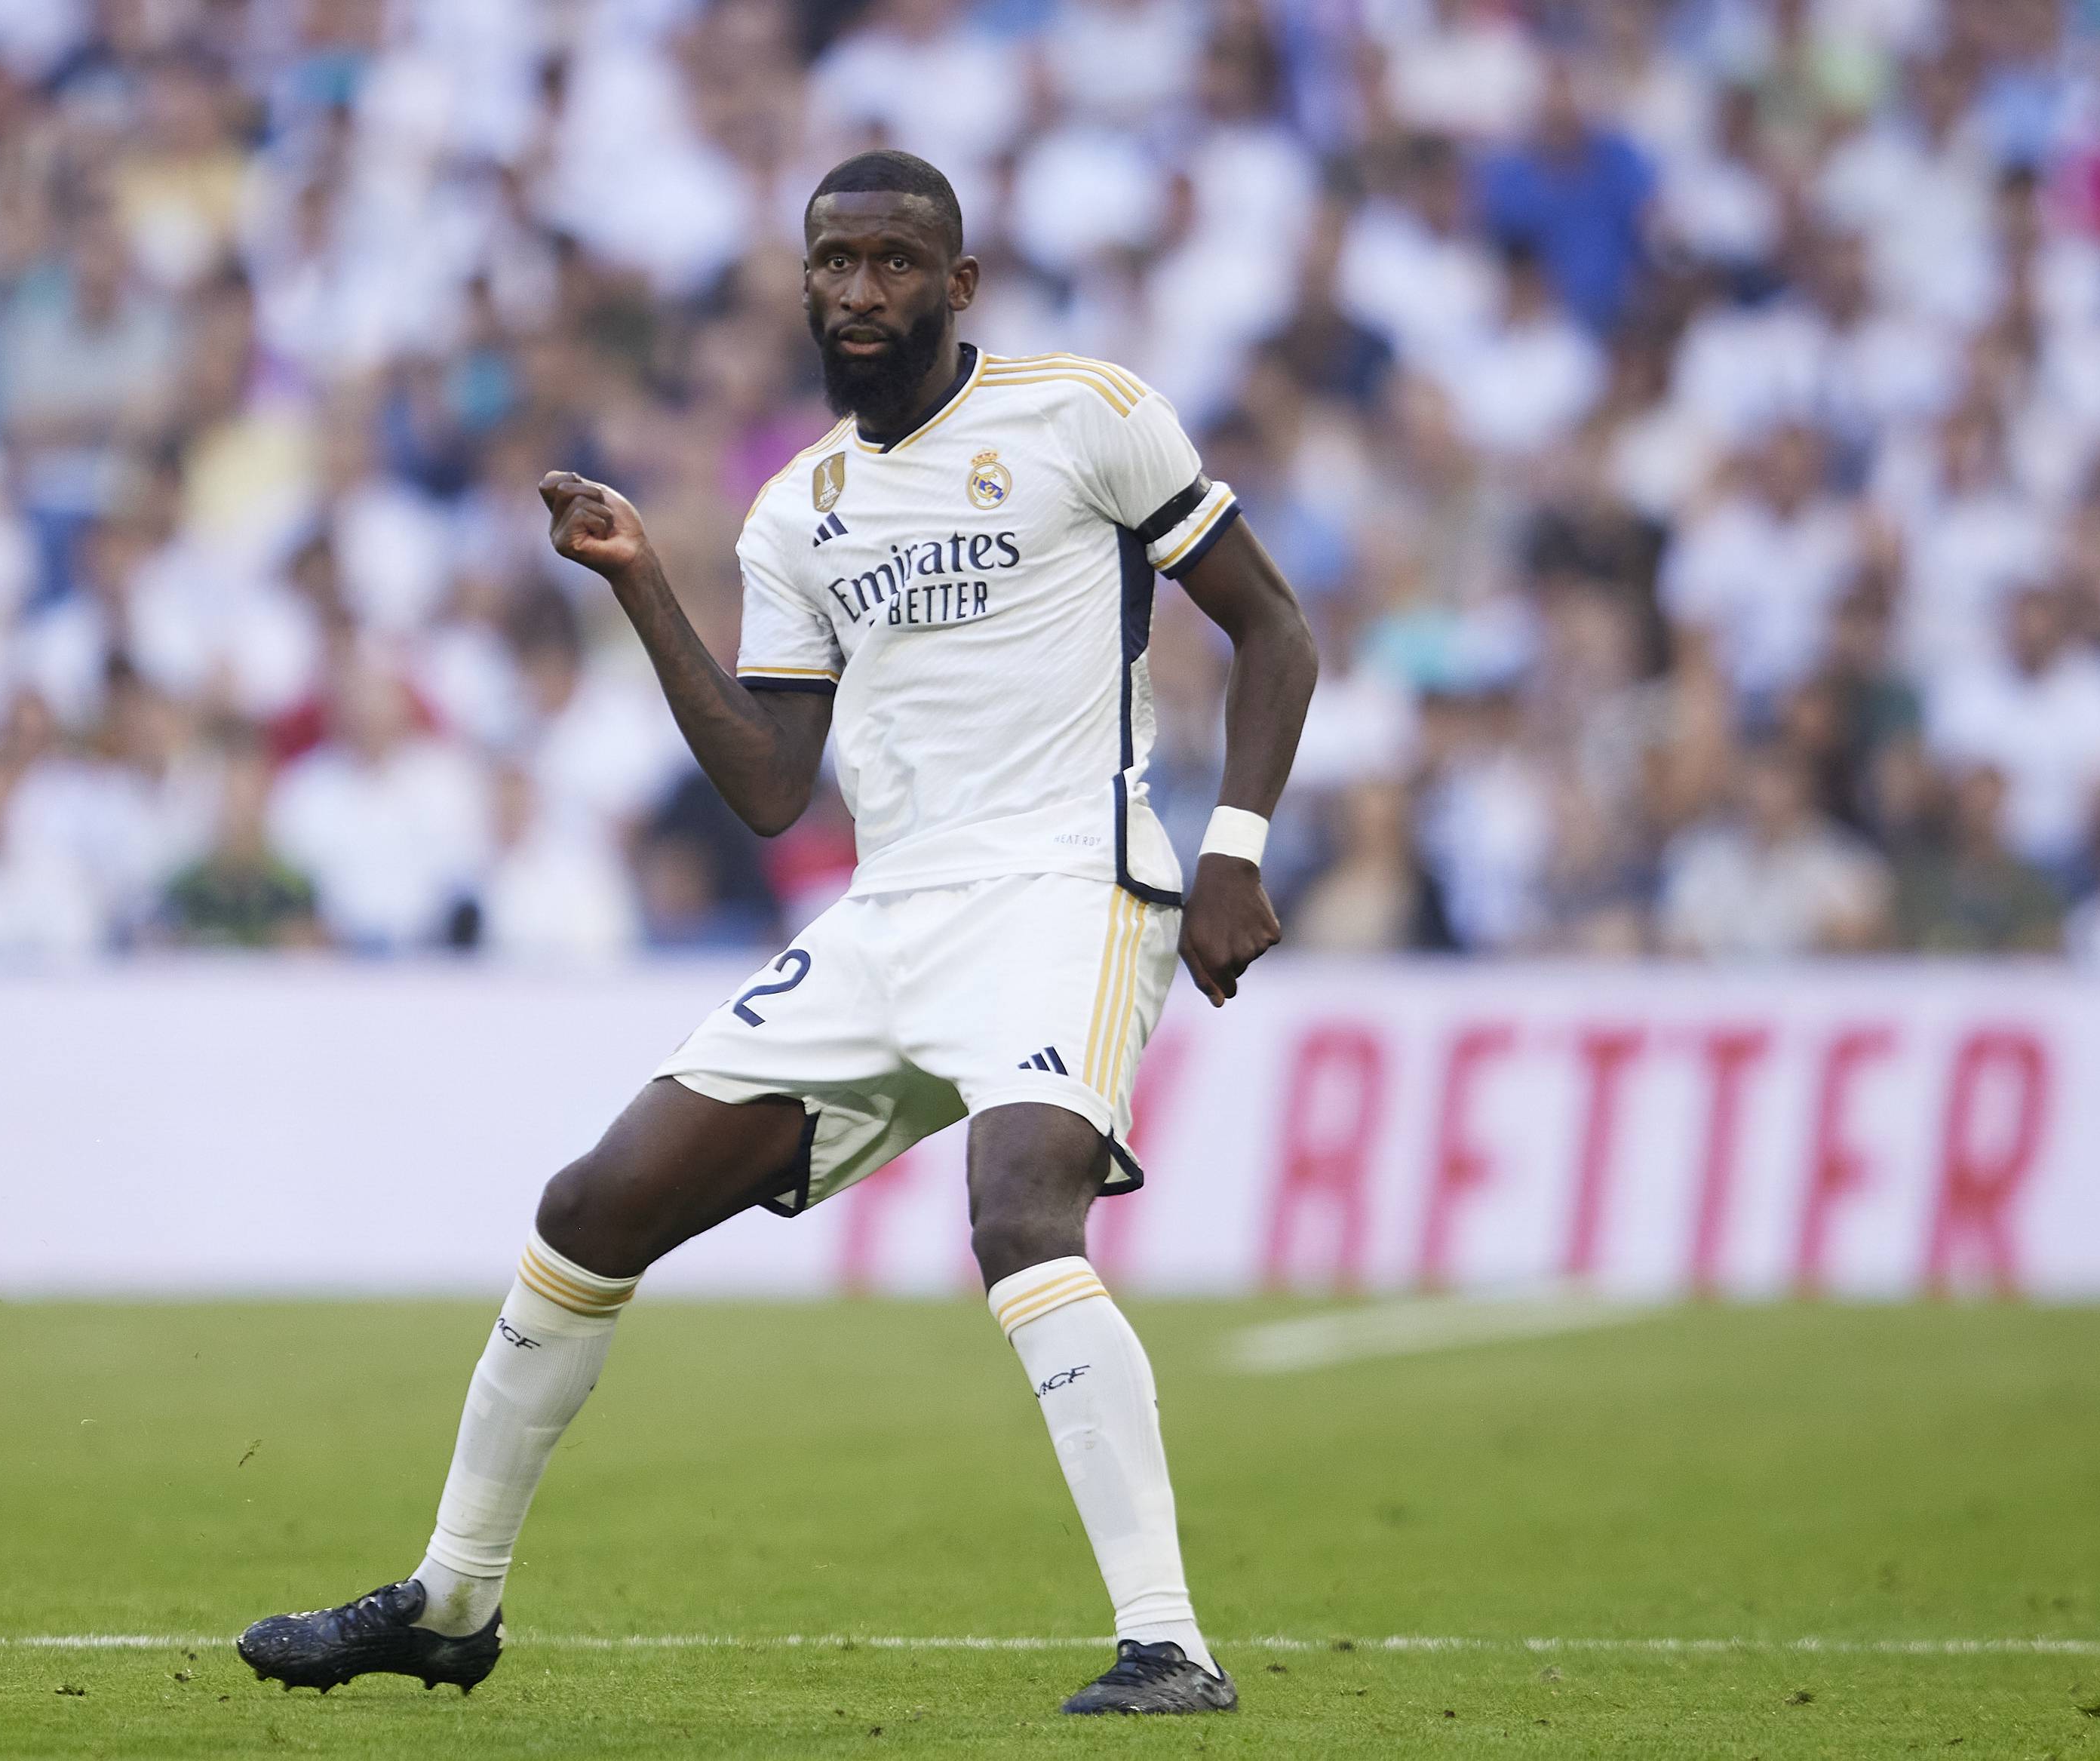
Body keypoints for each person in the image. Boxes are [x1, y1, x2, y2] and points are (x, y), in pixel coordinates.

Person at [238, 150, 1319, 1718]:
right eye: (836, 262)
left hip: (1061, 892)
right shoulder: (795, 512)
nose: (861, 290)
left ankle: (1169, 1643)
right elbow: (765, 786)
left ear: (957, 286)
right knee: (591, 1205)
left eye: (896, 263)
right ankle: (451, 1602)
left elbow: (1274, 625)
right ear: (804, 281)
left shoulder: (1085, 411)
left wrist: (1232, 849)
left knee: (1019, 1213)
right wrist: (641, 587)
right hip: (884, 918)